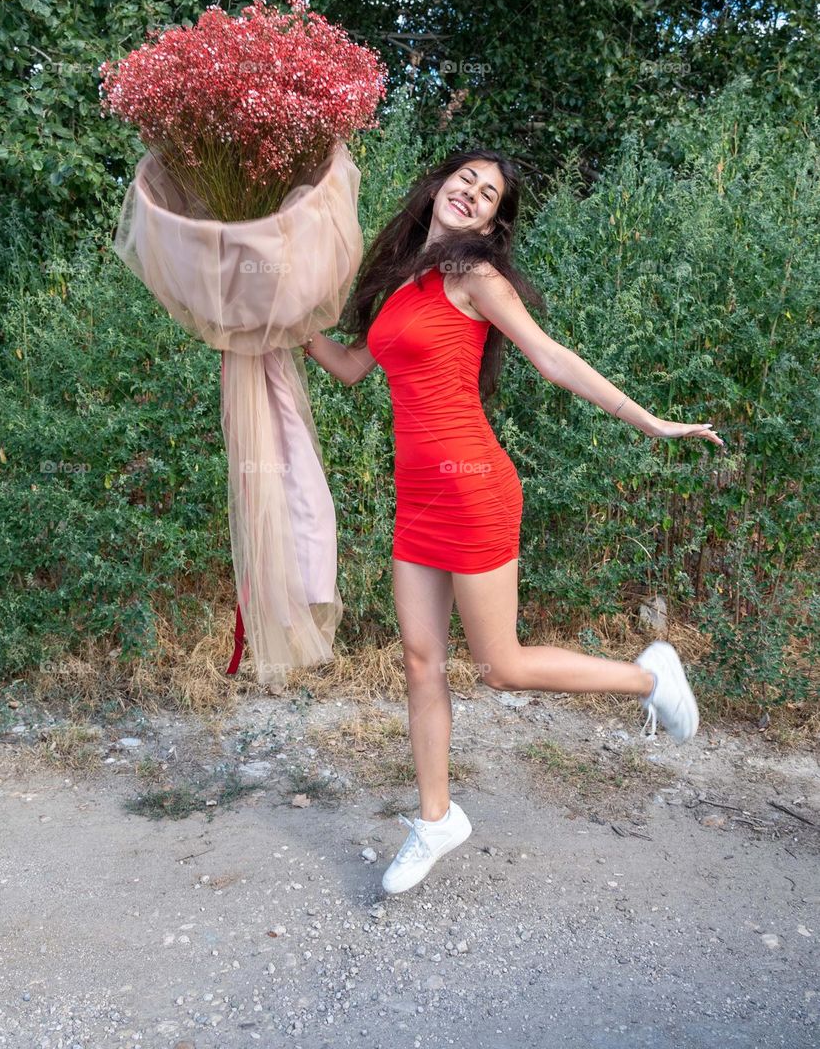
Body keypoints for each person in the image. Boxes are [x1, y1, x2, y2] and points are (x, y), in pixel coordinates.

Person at [301, 149, 724, 895]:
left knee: (501, 665)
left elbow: (551, 356)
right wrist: (271, 324)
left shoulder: (475, 278)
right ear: (437, 186)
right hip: (420, 496)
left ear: (494, 221)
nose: (471, 192)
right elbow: (349, 367)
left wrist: (650, 421)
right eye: (465, 179)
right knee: (421, 662)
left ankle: (648, 676)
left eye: (488, 193)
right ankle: (437, 820)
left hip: (473, 489)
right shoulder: (403, 285)